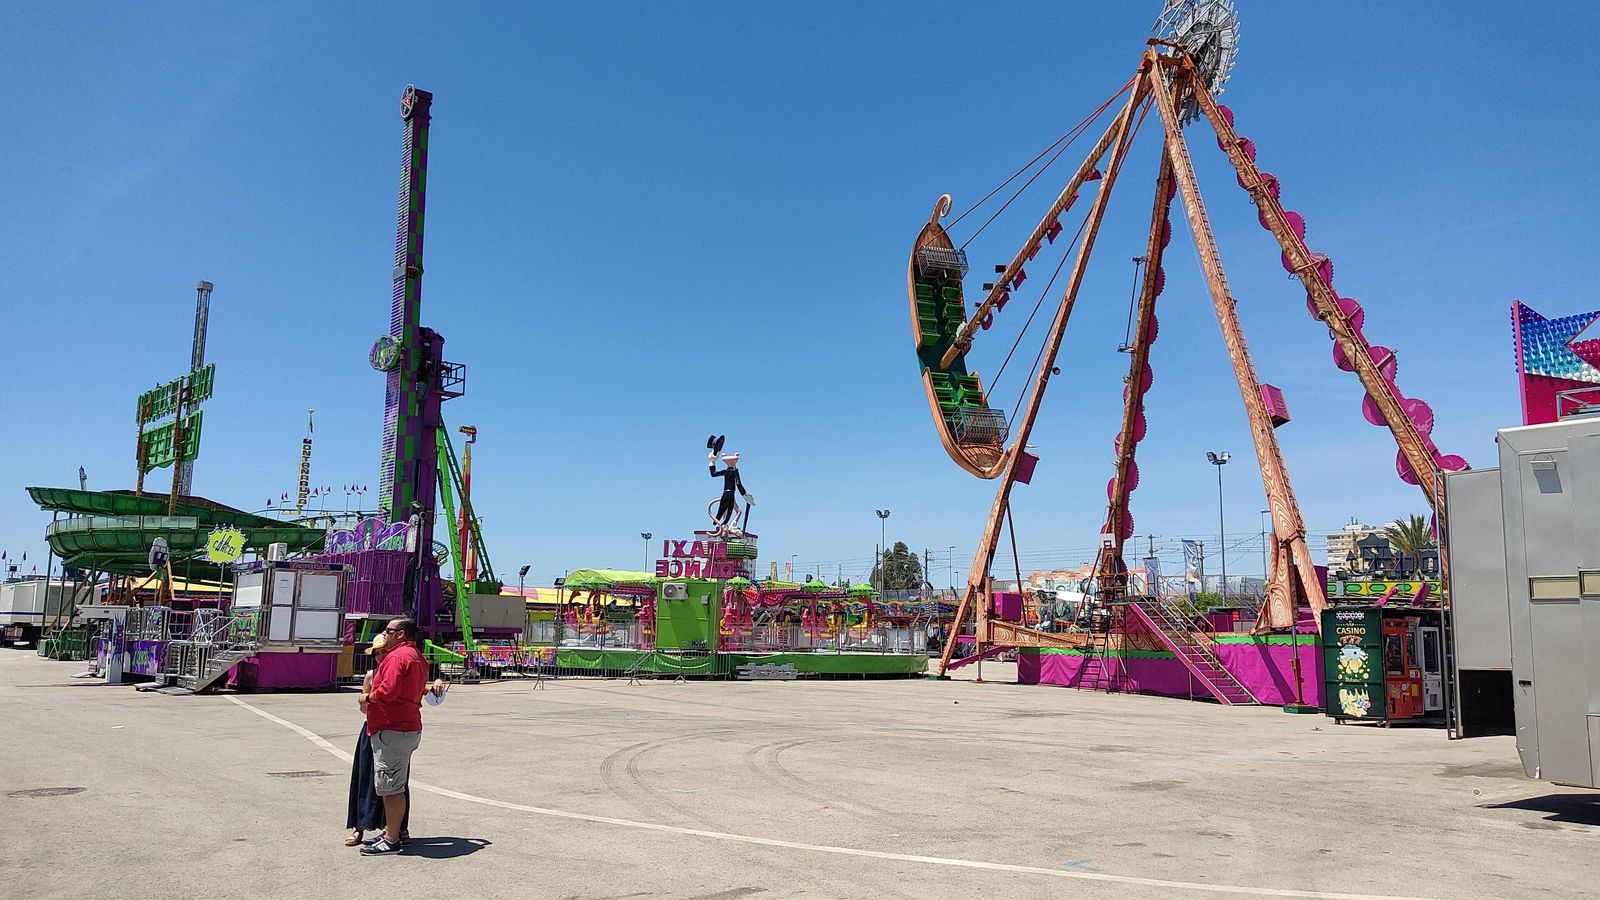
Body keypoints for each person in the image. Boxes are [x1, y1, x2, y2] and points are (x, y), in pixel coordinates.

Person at [359, 618, 428, 856]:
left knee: (391, 788)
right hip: (406, 726)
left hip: (392, 728)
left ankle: (391, 839)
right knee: (394, 785)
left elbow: (387, 691)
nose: (384, 634)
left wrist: (367, 697)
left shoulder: (396, 657)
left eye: (388, 630)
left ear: (401, 634)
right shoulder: (416, 656)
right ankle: (393, 831)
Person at [344, 632, 409, 846]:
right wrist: (368, 700)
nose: (381, 656)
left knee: (395, 783)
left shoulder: (400, 672)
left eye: (384, 652)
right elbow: (363, 708)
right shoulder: (371, 675)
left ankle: (398, 829)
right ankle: (359, 828)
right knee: (365, 778)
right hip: (372, 729)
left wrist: (436, 682)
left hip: (393, 731)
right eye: (377, 653)